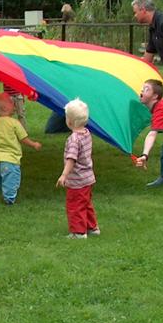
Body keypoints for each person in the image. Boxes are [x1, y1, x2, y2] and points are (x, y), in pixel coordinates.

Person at [0, 92, 41, 205]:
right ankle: (9, 199)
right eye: (11, 102)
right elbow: (23, 138)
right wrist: (34, 144)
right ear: (5, 107)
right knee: (11, 180)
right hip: (11, 159)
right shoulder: (14, 123)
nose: (14, 104)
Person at [56, 98, 99, 238]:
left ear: (69, 121)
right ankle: (92, 227)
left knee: (75, 206)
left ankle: (78, 232)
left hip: (77, 181)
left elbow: (71, 158)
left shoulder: (74, 139)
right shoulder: (86, 133)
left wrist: (64, 175)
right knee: (86, 203)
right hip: (88, 178)